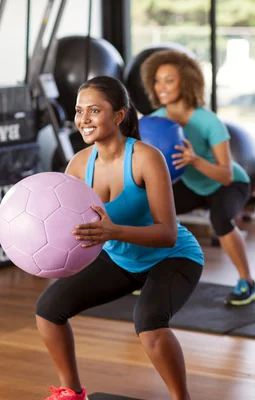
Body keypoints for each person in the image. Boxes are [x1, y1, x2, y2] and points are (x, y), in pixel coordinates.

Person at [36, 76, 204, 400]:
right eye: (79, 111)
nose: (83, 120)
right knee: (48, 310)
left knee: (149, 323)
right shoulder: (79, 164)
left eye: (94, 110)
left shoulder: (146, 158)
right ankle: (71, 392)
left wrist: (112, 232)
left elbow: (167, 234)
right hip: (120, 257)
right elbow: (66, 223)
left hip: (172, 257)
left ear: (119, 115)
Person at [140, 50, 255, 306]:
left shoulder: (207, 121)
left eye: (169, 80)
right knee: (149, 213)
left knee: (221, 219)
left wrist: (194, 160)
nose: (161, 87)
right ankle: (148, 275)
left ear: (187, 81)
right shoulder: (154, 122)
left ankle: (246, 281)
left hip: (228, 183)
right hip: (193, 184)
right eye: (158, 80)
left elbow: (226, 174)